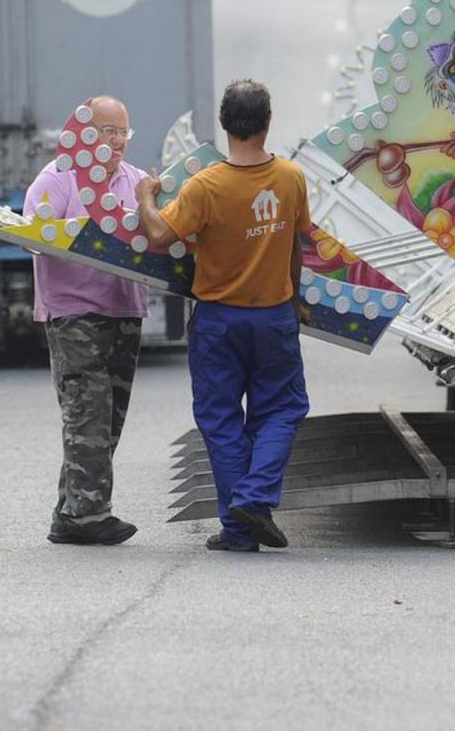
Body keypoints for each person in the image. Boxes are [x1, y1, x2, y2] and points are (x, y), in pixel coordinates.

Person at [135, 79, 310, 553]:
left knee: (221, 419)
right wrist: (292, 299)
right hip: (274, 316)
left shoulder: (205, 186)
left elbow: (157, 235)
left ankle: (241, 522)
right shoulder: (291, 178)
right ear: (268, 123)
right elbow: (296, 242)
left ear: (223, 123)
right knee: (281, 409)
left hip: (218, 321)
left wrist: (146, 194)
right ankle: (248, 511)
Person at [25, 95, 147, 546]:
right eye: (107, 131)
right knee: (87, 409)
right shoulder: (57, 178)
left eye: (123, 133)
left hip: (125, 309)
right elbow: (33, 237)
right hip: (73, 311)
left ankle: (70, 511)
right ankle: (90, 515)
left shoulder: (138, 182)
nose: (117, 142)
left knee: (107, 416)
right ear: (85, 133)